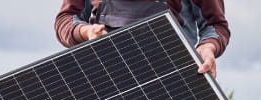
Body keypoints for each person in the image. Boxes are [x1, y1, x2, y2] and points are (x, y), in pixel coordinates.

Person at [54, 0, 231, 77]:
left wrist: (208, 47)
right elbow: (65, 19)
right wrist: (86, 31)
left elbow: (215, 25)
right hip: (103, 81)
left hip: (174, 80)